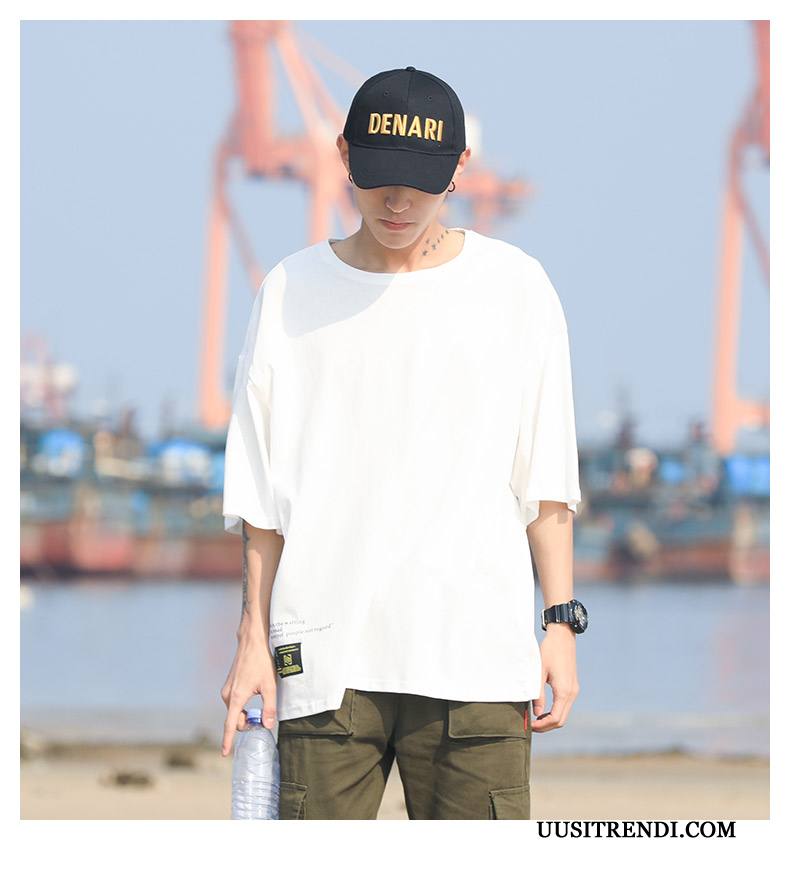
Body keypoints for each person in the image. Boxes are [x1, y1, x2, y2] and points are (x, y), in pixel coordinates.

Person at [219, 65, 587, 820]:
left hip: (478, 659)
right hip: (324, 661)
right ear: (344, 156)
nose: (396, 202)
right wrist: (252, 638)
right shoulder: (289, 291)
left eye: (419, 183)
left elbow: (546, 477)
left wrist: (559, 623)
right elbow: (260, 495)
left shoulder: (516, 288)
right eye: (379, 176)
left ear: (460, 168)